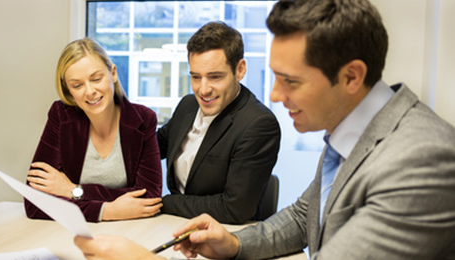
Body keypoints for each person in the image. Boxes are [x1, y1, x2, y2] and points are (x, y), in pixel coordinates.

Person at [74, 0, 455, 259]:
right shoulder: (352, 133)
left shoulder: (421, 159)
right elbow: (302, 218)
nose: (274, 94)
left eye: (290, 80)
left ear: (351, 76)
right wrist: (234, 244)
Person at [25, 38, 163, 223]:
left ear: (113, 73)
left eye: (96, 79)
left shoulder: (143, 119)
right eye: (77, 85)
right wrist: (107, 211)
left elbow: (149, 198)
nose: (89, 91)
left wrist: (73, 190)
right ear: (68, 90)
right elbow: (34, 202)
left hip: (129, 231)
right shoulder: (61, 115)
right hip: (73, 234)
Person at [156, 21, 281, 224]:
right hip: (175, 224)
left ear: (240, 69)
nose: (203, 89)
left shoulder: (258, 124)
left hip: (225, 233)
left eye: (214, 77)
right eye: (196, 77)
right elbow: (151, 148)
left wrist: (164, 204)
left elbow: (234, 208)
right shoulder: (188, 105)